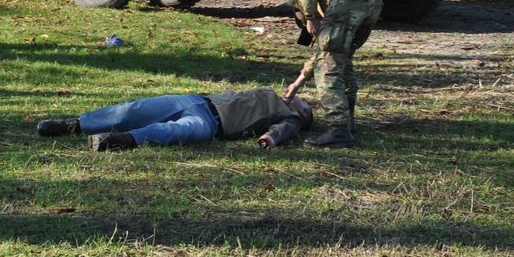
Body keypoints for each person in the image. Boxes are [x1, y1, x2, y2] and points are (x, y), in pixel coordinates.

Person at [283, 0, 382, 148]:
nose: (310, 31)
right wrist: (297, 83)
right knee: (340, 59)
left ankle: (338, 130)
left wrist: (310, 17)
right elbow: (323, 53)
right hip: (372, 0)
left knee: (327, 70)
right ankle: (348, 123)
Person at [37, 86, 313, 152]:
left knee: (172, 132)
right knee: (132, 109)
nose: (300, 98)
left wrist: (268, 139)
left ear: (303, 114)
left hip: (213, 126)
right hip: (195, 100)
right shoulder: (272, 93)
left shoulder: (292, 117)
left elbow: (280, 131)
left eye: (305, 105)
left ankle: (122, 140)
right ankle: (76, 124)